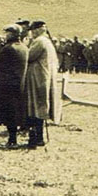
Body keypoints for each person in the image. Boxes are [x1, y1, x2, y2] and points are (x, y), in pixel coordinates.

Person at [0, 24, 28, 147]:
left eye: (7, 33)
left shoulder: (8, 48)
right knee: (17, 112)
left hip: (6, 85)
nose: (5, 35)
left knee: (9, 113)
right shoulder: (24, 48)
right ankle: (15, 139)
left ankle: (12, 141)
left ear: (11, 34)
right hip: (20, 84)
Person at [24, 21, 62, 149]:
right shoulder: (47, 42)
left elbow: (28, 56)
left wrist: (24, 46)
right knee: (41, 107)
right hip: (45, 78)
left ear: (38, 30)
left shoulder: (39, 41)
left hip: (37, 78)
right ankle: (38, 138)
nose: (32, 33)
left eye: (33, 30)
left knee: (35, 108)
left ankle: (35, 139)